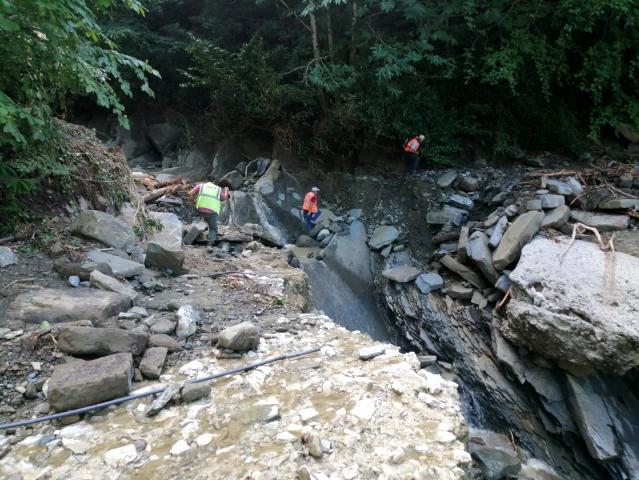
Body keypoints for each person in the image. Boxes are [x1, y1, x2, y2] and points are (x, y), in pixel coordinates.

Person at [189, 181, 230, 246]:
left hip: (200, 209)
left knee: (199, 225)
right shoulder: (218, 189)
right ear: (214, 181)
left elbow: (190, 193)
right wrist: (226, 190)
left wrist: (193, 201)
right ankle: (210, 244)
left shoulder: (201, 186)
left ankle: (190, 240)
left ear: (206, 181)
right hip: (212, 211)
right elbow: (224, 198)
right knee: (213, 228)